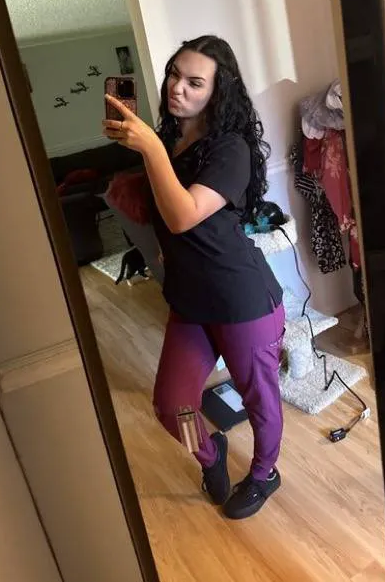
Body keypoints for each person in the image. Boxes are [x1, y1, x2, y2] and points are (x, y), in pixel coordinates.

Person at [103, 35, 285, 520]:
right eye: (174, 75)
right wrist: (148, 151)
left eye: (194, 82)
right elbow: (163, 214)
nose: (177, 87)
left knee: (260, 401)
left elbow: (183, 215)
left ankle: (265, 473)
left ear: (217, 92)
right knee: (172, 405)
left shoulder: (230, 149)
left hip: (241, 300)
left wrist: (149, 148)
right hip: (190, 301)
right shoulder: (169, 143)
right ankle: (210, 454)